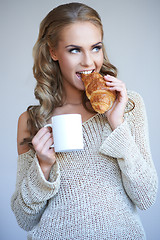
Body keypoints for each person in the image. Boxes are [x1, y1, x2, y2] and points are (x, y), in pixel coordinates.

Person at [11, 2, 158, 240]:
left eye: (96, 48)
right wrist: (44, 166)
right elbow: (24, 219)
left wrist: (117, 125)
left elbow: (146, 197)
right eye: (74, 50)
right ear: (53, 52)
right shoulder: (32, 121)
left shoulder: (128, 106)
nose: (89, 62)